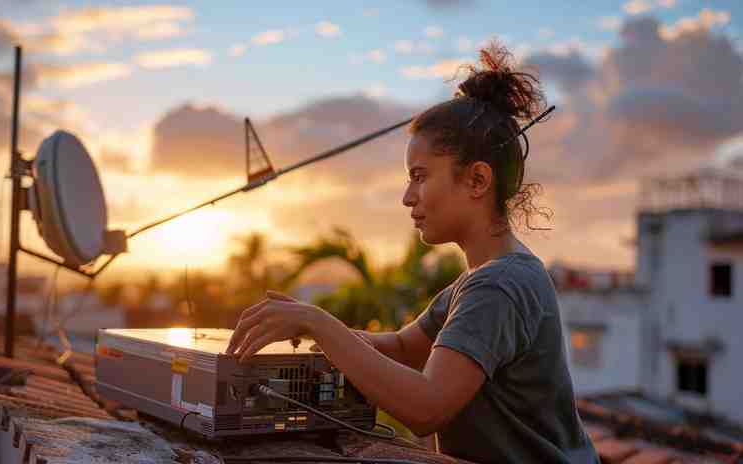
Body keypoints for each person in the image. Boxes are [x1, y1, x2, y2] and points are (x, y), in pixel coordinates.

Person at [225, 41, 600, 463]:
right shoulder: (481, 280)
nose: (407, 197)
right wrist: (314, 333)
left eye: (419, 177)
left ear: (477, 181)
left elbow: (426, 407)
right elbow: (404, 348)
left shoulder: (499, 286)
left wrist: (320, 324)